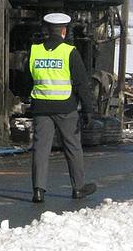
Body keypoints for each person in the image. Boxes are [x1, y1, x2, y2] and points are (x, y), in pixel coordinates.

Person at [29, 13, 97, 204]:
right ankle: (78, 188)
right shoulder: (69, 52)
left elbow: (27, 79)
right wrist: (88, 110)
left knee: (41, 149)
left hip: (41, 107)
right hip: (66, 108)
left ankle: (38, 191)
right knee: (73, 146)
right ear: (64, 31)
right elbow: (82, 83)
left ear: (47, 30)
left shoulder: (35, 51)